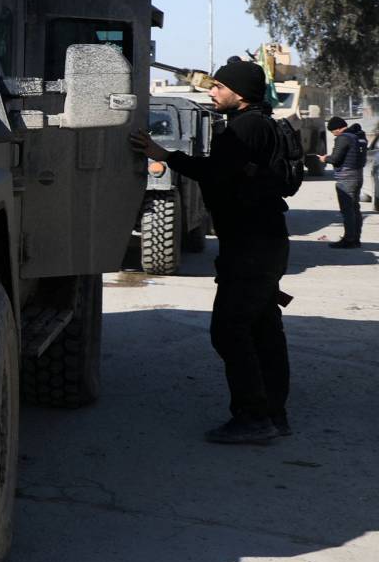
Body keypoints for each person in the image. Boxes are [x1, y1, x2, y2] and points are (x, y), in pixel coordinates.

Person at [130, 57, 291, 444]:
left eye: (220, 86)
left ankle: (254, 418)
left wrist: (164, 155)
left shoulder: (245, 128)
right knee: (263, 328)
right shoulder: (261, 124)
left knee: (230, 330)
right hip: (263, 241)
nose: (212, 91)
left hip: (251, 244)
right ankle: (273, 413)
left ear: (241, 94)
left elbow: (214, 172)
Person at [317, 115, 366, 248]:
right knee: (355, 209)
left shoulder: (343, 138)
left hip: (346, 178)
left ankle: (349, 240)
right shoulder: (358, 136)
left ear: (338, 128)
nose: (333, 134)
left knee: (347, 210)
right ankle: (355, 239)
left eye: (333, 131)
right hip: (357, 175)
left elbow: (335, 159)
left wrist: (324, 159)